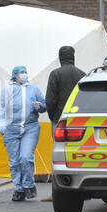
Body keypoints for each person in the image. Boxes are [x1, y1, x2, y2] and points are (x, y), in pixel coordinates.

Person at [0, 66, 46, 201]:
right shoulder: (8, 90)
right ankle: (19, 189)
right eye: (21, 73)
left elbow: (44, 105)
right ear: (15, 76)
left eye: (25, 72)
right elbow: (0, 109)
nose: (24, 75)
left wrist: (39, 106)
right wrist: (2, 128)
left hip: (30, 128)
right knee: (14, 162)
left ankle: (29, 185)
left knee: (25, 157)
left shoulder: (33, 89)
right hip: (11, 129)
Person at [43, 46, 86, 202]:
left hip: (61, 121)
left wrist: (54, 118)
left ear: (60, 58)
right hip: (79, 122)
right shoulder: (82, 75)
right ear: (73, 57)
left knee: (59, 157)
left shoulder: (55, 74)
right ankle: (80, 188)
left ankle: (57, 192)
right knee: (77, 154)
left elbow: (50, 101)